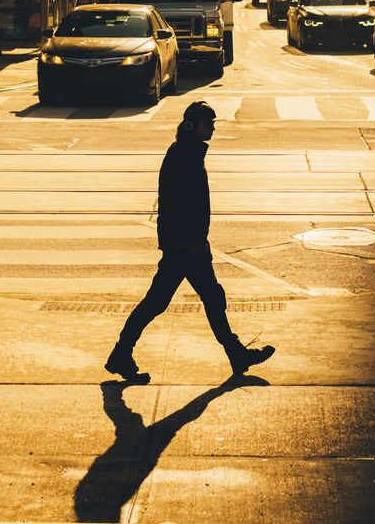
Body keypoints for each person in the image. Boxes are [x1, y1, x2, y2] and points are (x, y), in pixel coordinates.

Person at [105, 101, 276, 380]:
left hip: (188, 243)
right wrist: (186, 242)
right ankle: (121, 353)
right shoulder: (184, 154)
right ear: (192, 125)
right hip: (184, 246)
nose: (212, 127)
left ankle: (236, 355)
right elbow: (178, 202)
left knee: (203, 298)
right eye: (208, 122)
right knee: (165, 302)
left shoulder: (189, 150)